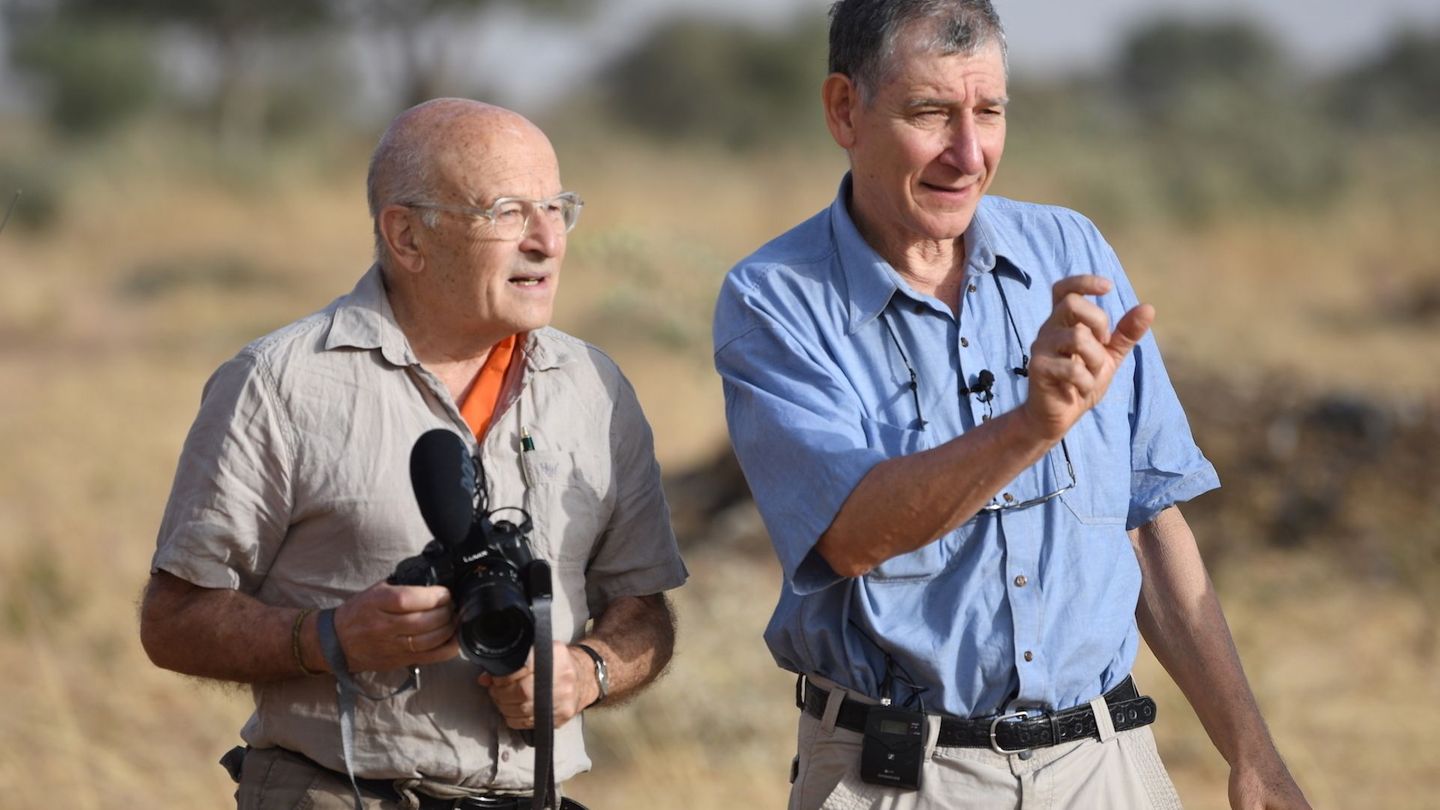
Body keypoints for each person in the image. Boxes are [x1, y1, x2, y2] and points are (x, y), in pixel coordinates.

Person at [712, 2, 1310, 808]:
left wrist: (1252, 754)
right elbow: (852, 537)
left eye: (988, 112)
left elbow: (1148, 520)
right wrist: (1033, 424)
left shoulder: (1073, 252)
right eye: (931, 113)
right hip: (896, 781)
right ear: (844, 110)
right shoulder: (775, 300)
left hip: (1104, 772)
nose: (969, 154)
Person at [140, 98, 688, 809]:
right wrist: (331, 636)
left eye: (557, 207)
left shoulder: (596, 388)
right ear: (406, 236)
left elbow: (644, 608)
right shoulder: (279, 383)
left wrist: (586, 673)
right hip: (336, 794)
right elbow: (173, 618)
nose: (547, 240)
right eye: (508, 211)